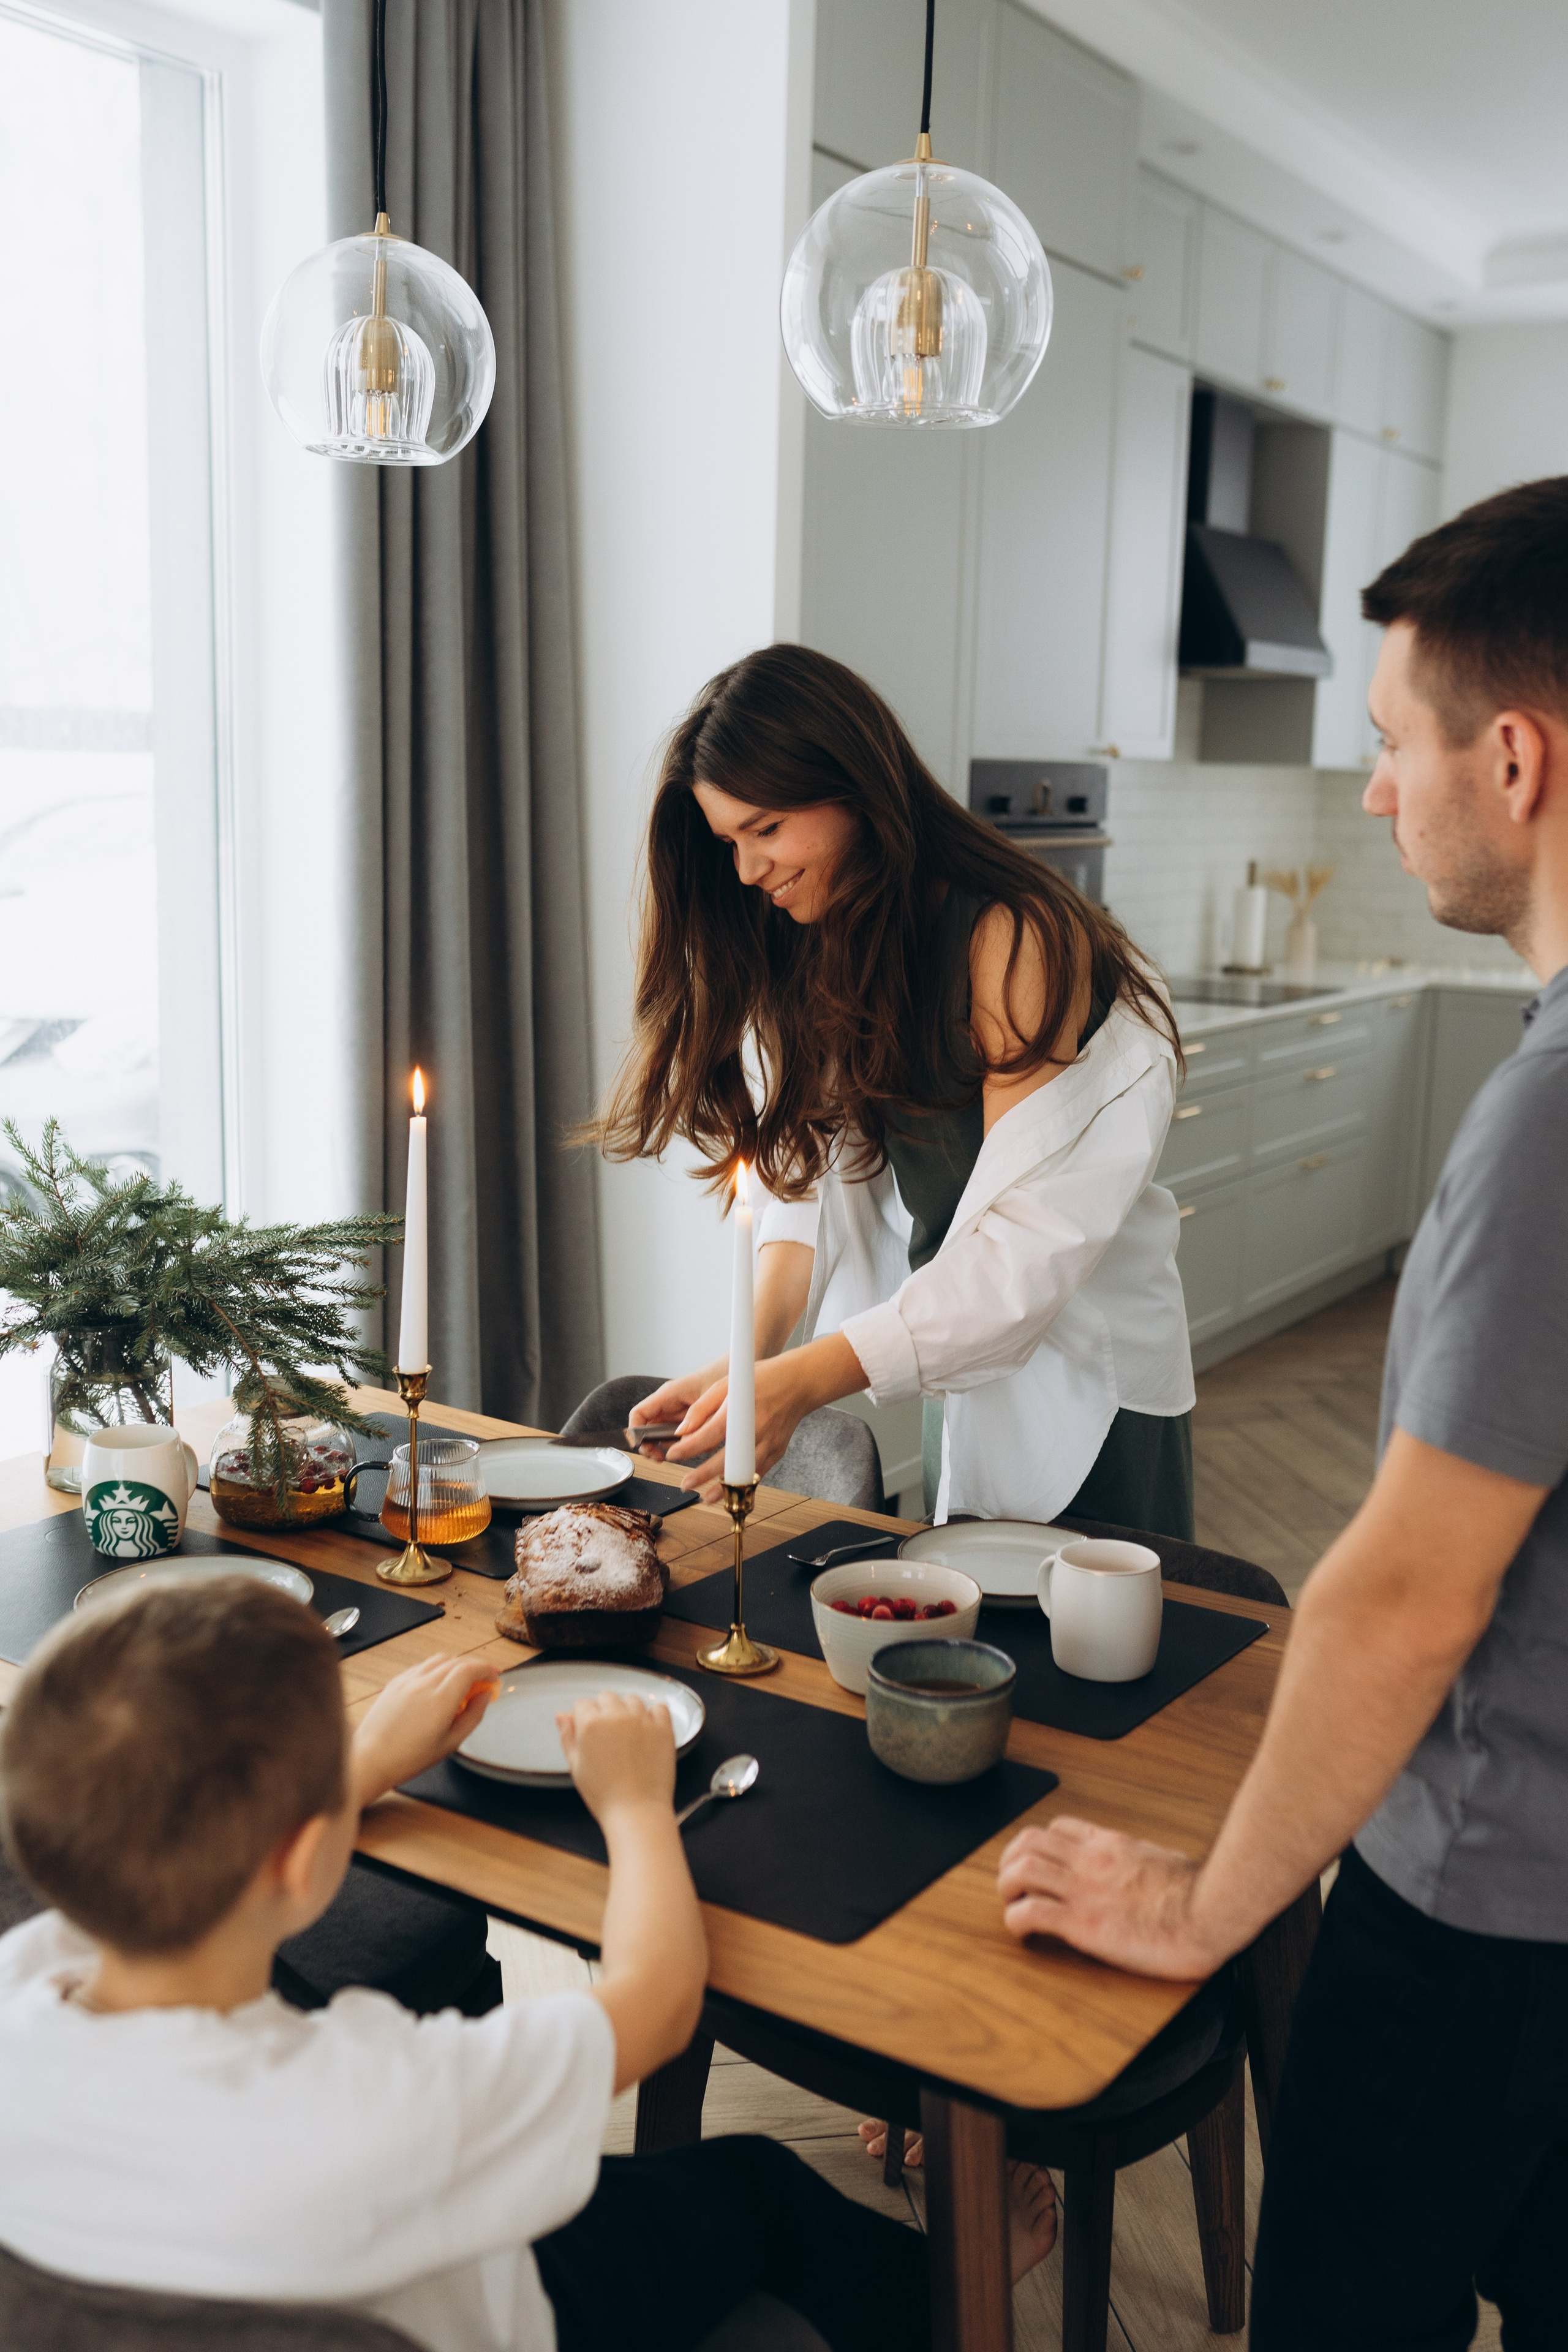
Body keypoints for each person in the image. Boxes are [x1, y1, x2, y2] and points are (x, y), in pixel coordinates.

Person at [990, 478, 1568, 2350]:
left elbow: (1405, 1594)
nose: (1383, 792)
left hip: (1485, 1905)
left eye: (1396, 744)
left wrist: (1206, 1904)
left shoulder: (1551, 1121)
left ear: (1518, 756)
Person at [0, 1576, 1055, 2350]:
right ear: (296, 1851)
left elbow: (198, 1869)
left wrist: (356, 1768)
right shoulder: (385, 2102)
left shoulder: (33, 1977)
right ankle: (958, 2289)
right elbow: (656, 2000)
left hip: (240, 2278)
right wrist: (638, 1804)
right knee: (761, 2188)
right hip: (498, 2313)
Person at [600, 644, 1196, 1537]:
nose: (747, 872)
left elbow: (1025, 1254)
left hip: (1090, 1383)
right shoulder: (839, 933)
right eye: (730, 843)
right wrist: (749, 1361)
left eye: (766, 830)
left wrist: (800, 1382)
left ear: (857, 790)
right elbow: (810, 1178)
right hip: (959, 1351)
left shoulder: (1014, 938)